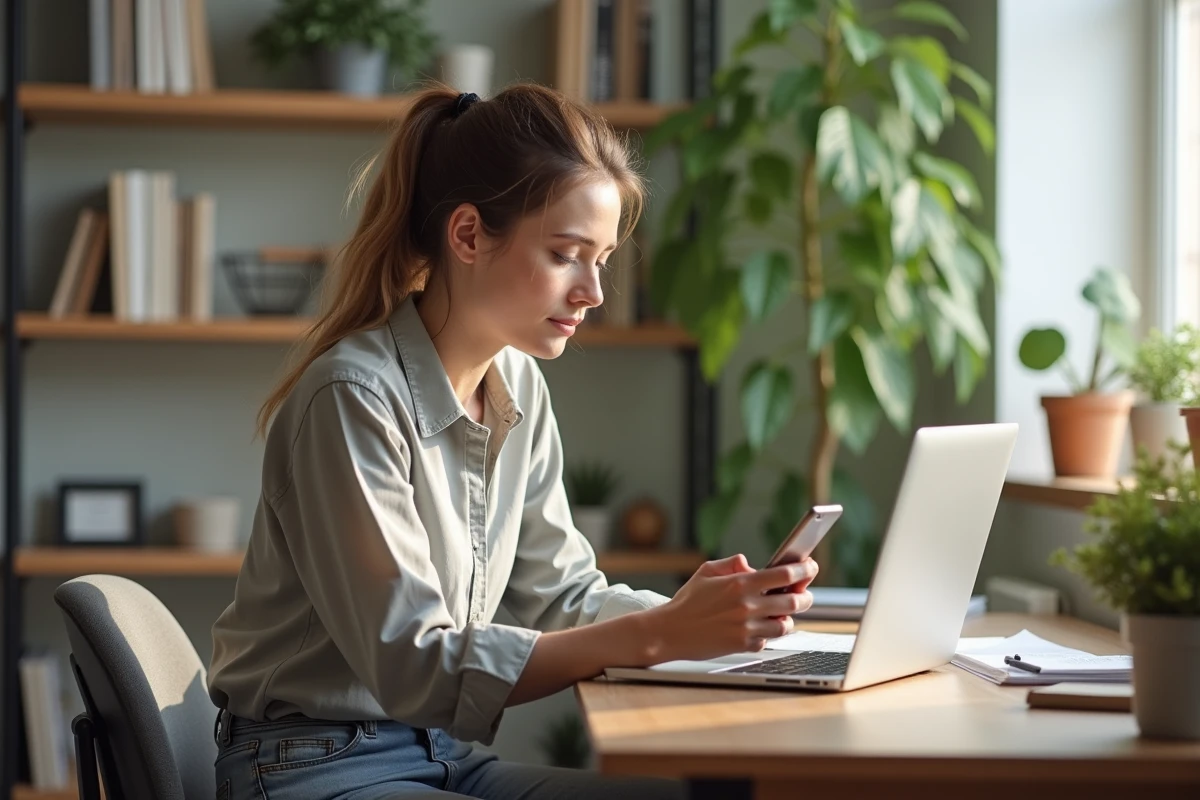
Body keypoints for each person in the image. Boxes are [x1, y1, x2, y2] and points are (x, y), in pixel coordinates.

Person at [206, 82, 819, 800]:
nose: (593, 290)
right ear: (468, 235)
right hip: (309, 766)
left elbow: (561, 594)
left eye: (603, 259)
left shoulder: (518, 384)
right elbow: (416, 666)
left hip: (439, 756)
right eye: (567, 254)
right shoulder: (351, 398)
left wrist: (709, 620)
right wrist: (663, 635)